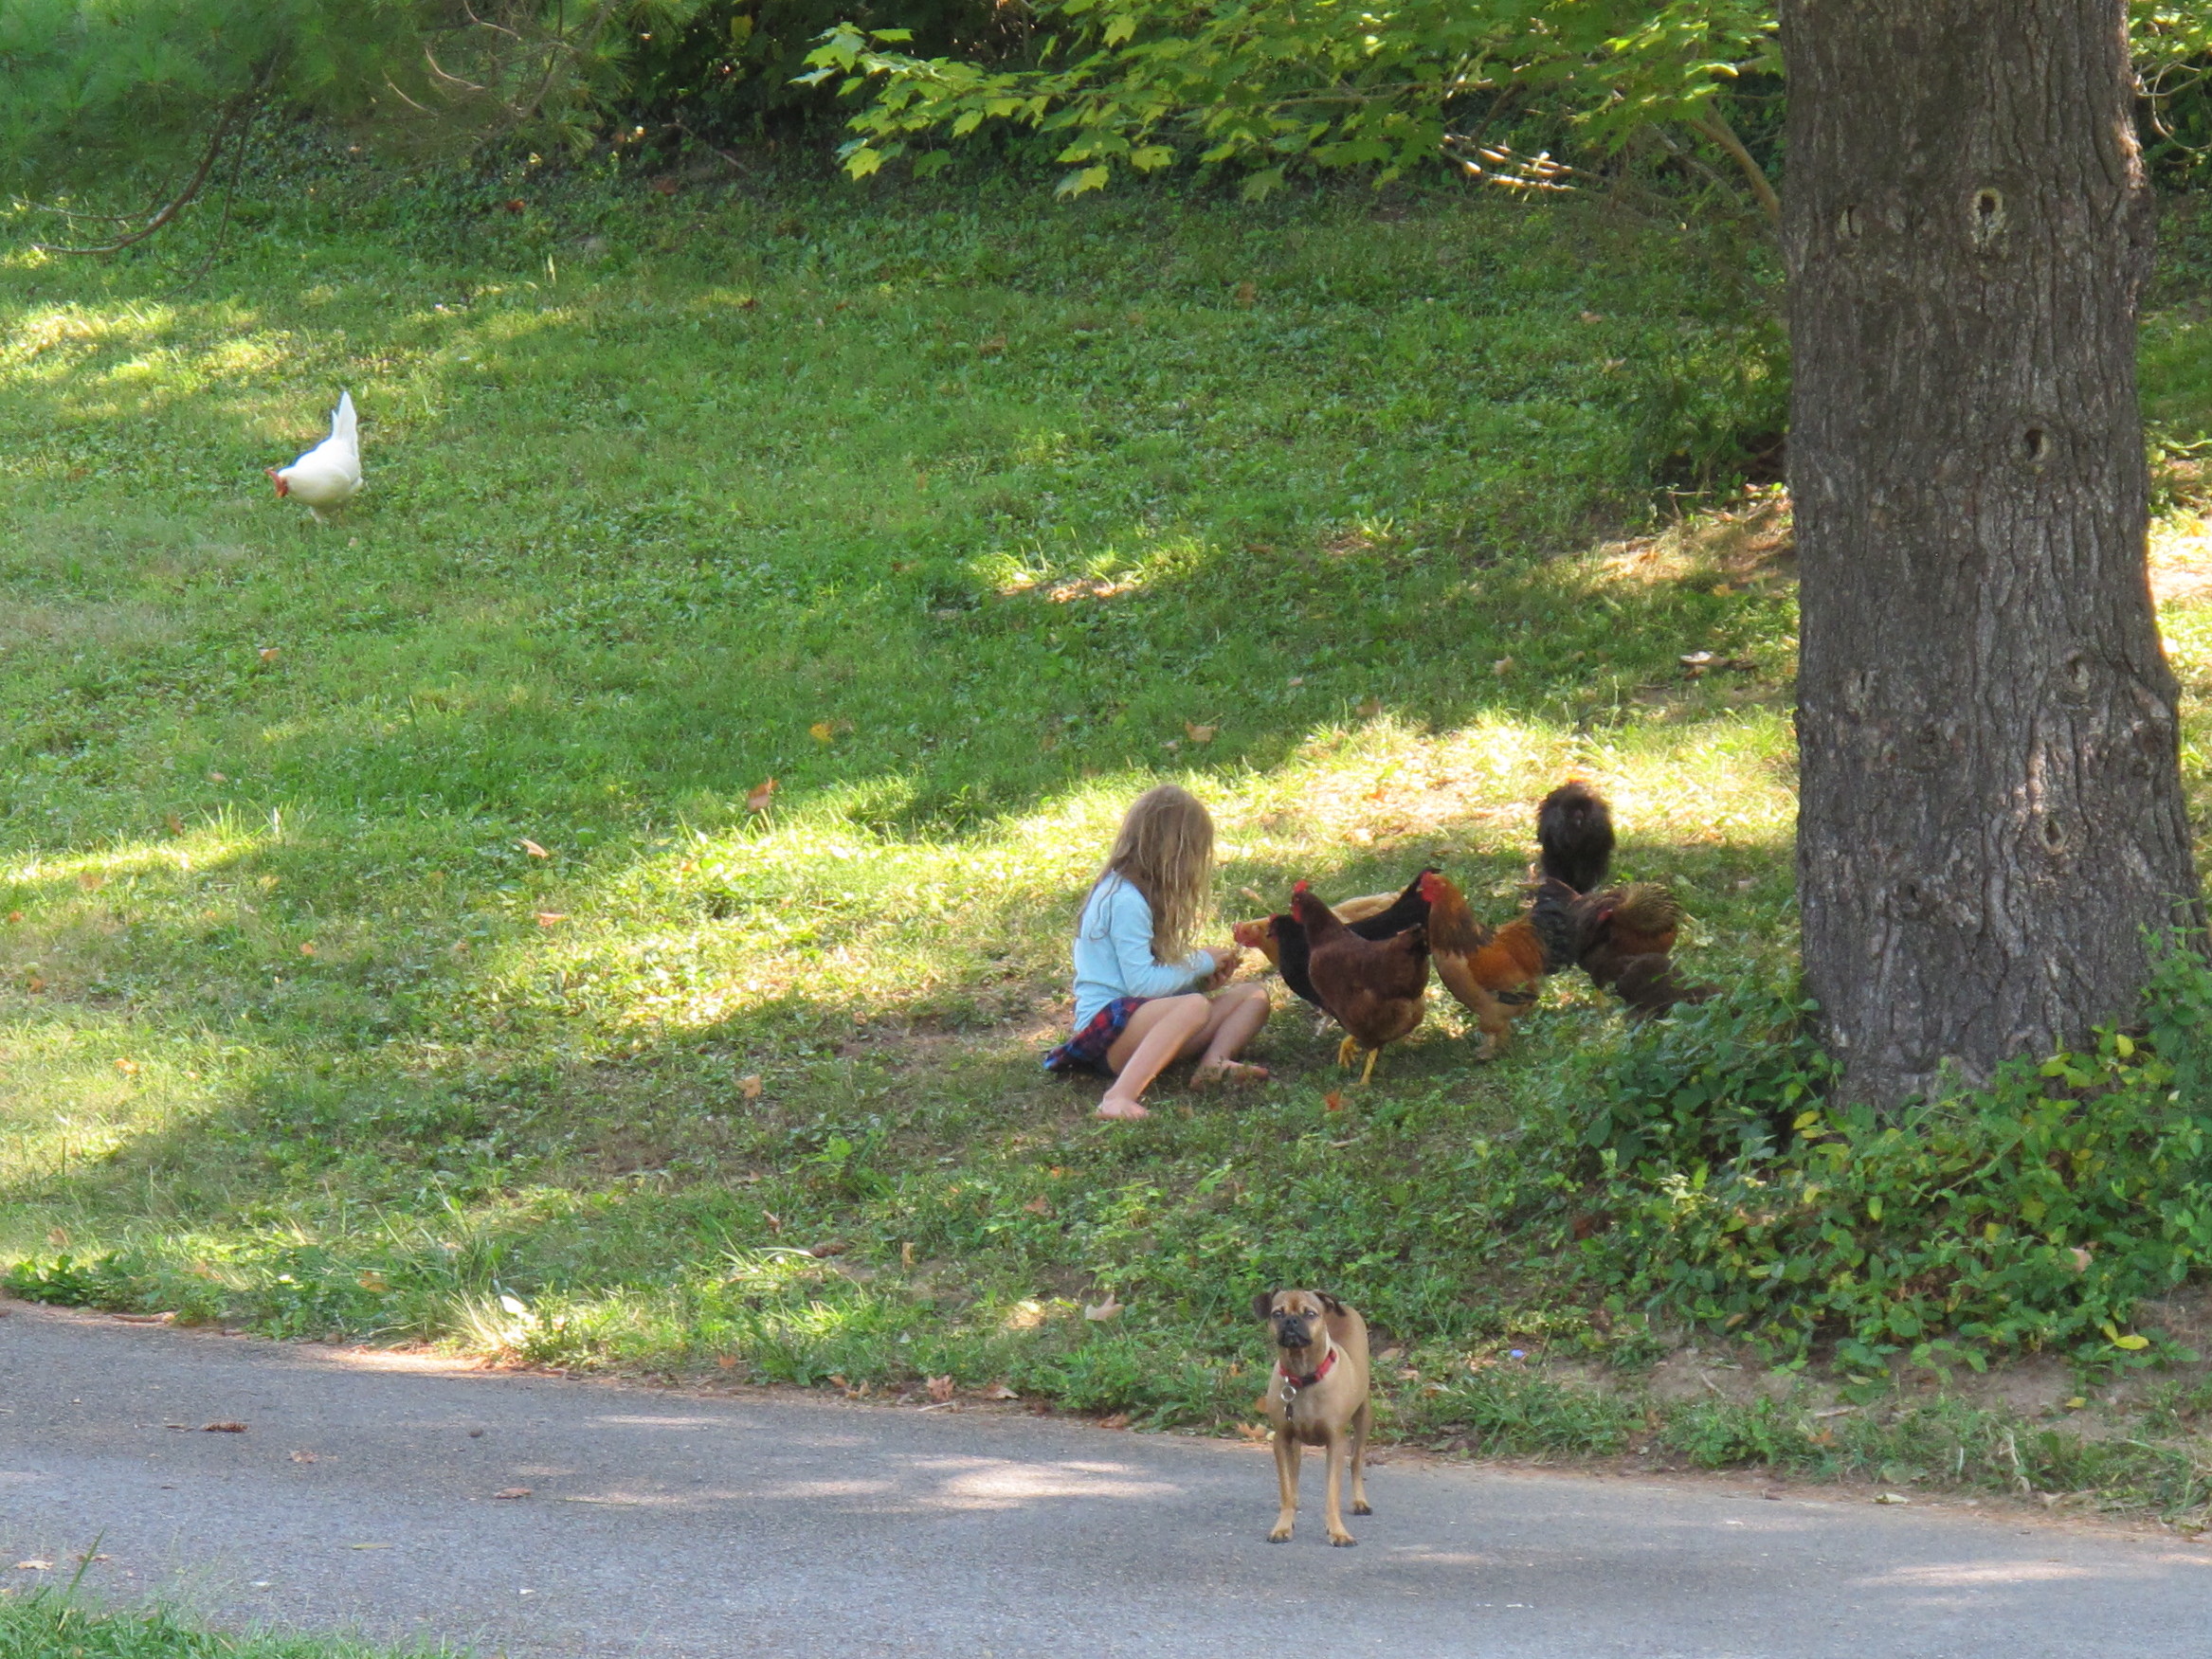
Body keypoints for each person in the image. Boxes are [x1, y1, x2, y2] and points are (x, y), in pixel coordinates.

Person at [1043, 784, 1271, 1120]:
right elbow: (1141, 987)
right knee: (1193, 1008)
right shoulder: (1124, 899)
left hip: (1143, 1026)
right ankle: (1117, 1097)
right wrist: (1199, 962)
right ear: (1173, 853)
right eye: (1193, 854)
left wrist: (1199, 984)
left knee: (1252, 996)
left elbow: (1153, 992)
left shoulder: (1141, 893)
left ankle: (1213, 1065)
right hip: (1106, 1033)